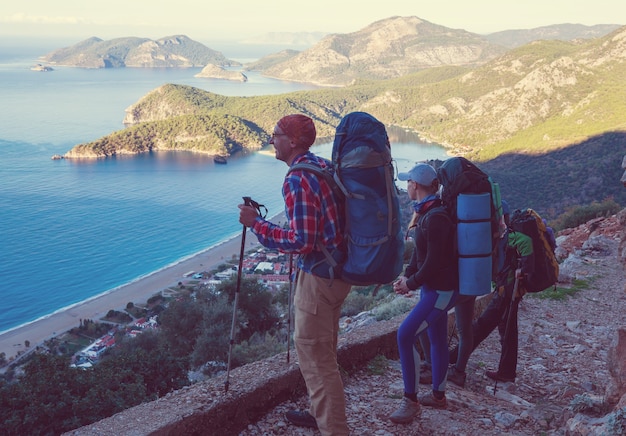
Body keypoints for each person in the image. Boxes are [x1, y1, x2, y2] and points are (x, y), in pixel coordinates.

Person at [238, 114, 351, 436]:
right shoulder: (322, 166)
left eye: (275, 135)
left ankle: (335, 431)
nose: (271, 140)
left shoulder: (297, 179)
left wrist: (256, 224)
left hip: (319, 279)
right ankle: (320, 415)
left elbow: (303, 240)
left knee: (316, 359)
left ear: (292, 141)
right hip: (339, 271)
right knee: (324, 349)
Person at [389, 163, 458, 424]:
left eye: (408, 182)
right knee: (437, 338)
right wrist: (407, 276)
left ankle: (411, 401)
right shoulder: (428, 213)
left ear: (415, 185)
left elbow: (435, 262)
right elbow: (421, 254)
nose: (406, 186)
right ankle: (438, 397)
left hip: (440, 290)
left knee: (405, 335)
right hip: (432, 288)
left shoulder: (436, 217)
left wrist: (412, 283)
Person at [454, 200, 535, 383]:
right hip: (506, 288)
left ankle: (454, 358)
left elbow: (526, 243)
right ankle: (506, 372)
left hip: (508, 290)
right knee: (506, 329)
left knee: (485, 325)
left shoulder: (510, 236)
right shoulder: (501, 236)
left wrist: (524, 269)